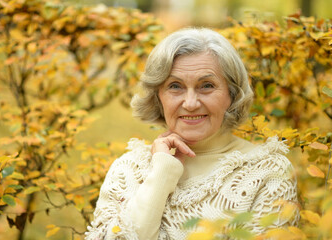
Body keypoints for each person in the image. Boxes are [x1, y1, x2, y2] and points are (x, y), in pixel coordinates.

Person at [85, 28, 299, 240]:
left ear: (232, 95)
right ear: (158, 97)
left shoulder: (268, 173)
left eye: (206, 86)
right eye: (175, 86)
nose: (190, 103)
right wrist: (162, 173)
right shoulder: (128, 170)